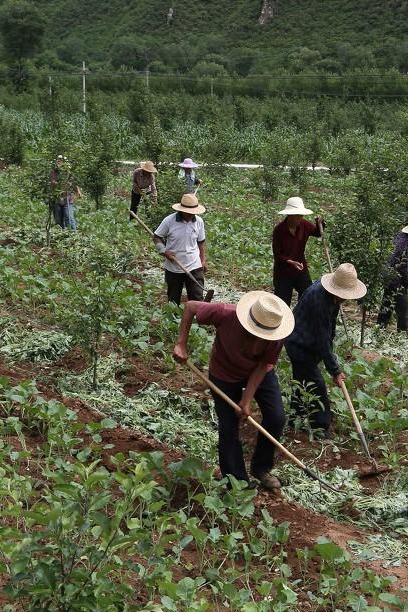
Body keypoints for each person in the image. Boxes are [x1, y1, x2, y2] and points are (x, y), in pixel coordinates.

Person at [173, 291, 295, 490]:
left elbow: (264, 365)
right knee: (229, 426)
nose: (258, 341)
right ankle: (237, 481)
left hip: (258, 372)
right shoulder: (225, 313)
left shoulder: (276, 333)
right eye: (254, 334)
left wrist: (246, 400)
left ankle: (261, 468)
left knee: (277, 417)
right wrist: (181, 344)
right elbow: (191, 307)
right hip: (224, 372)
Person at [285, 263, 366, 436]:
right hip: (299, 343)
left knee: (302, 381)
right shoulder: (319, 298)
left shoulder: (332, 296)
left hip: (309, 342)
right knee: (317, 385)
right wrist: (335, 371)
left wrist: (331, 350)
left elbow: (329, 329)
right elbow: (322, 339)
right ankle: (320, 428)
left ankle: (294, 417)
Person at [153, 193, 207, 304]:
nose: (192, 215)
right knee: (173, 300)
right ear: (182, 210)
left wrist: (203, 260)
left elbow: (201, 242)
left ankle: (198, 320)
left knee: (197, 297)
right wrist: (164, 251)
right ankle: (173, 320)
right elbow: (157, 237)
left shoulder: (199, 222)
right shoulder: (169, 221)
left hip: (194, 265)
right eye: (189, 212)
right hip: (174, 266)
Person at [272, 196, 324, 305]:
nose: (300, 218)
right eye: (297, 216)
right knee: (282, 303)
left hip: (300, 268)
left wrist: (320, 223)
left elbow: (318, 233)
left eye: (301, 215)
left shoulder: (304, 225)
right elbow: (277, 254)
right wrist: (290, 262)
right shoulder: (279, 230)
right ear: (290, 215)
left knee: (308, 294)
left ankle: (301, 317)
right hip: (283, 272)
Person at [49, 156, 79, 230]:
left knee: (69, 217)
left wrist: (76, 191)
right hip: (57, 198)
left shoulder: (68, 172)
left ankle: (73, 234)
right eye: (58, 160)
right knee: (58, 219)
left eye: (61, 161)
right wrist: (59, 184)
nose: (59, 162)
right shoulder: (54, 172)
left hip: (67, 198)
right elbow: (52, 183)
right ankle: (61, 235)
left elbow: (72, 183)